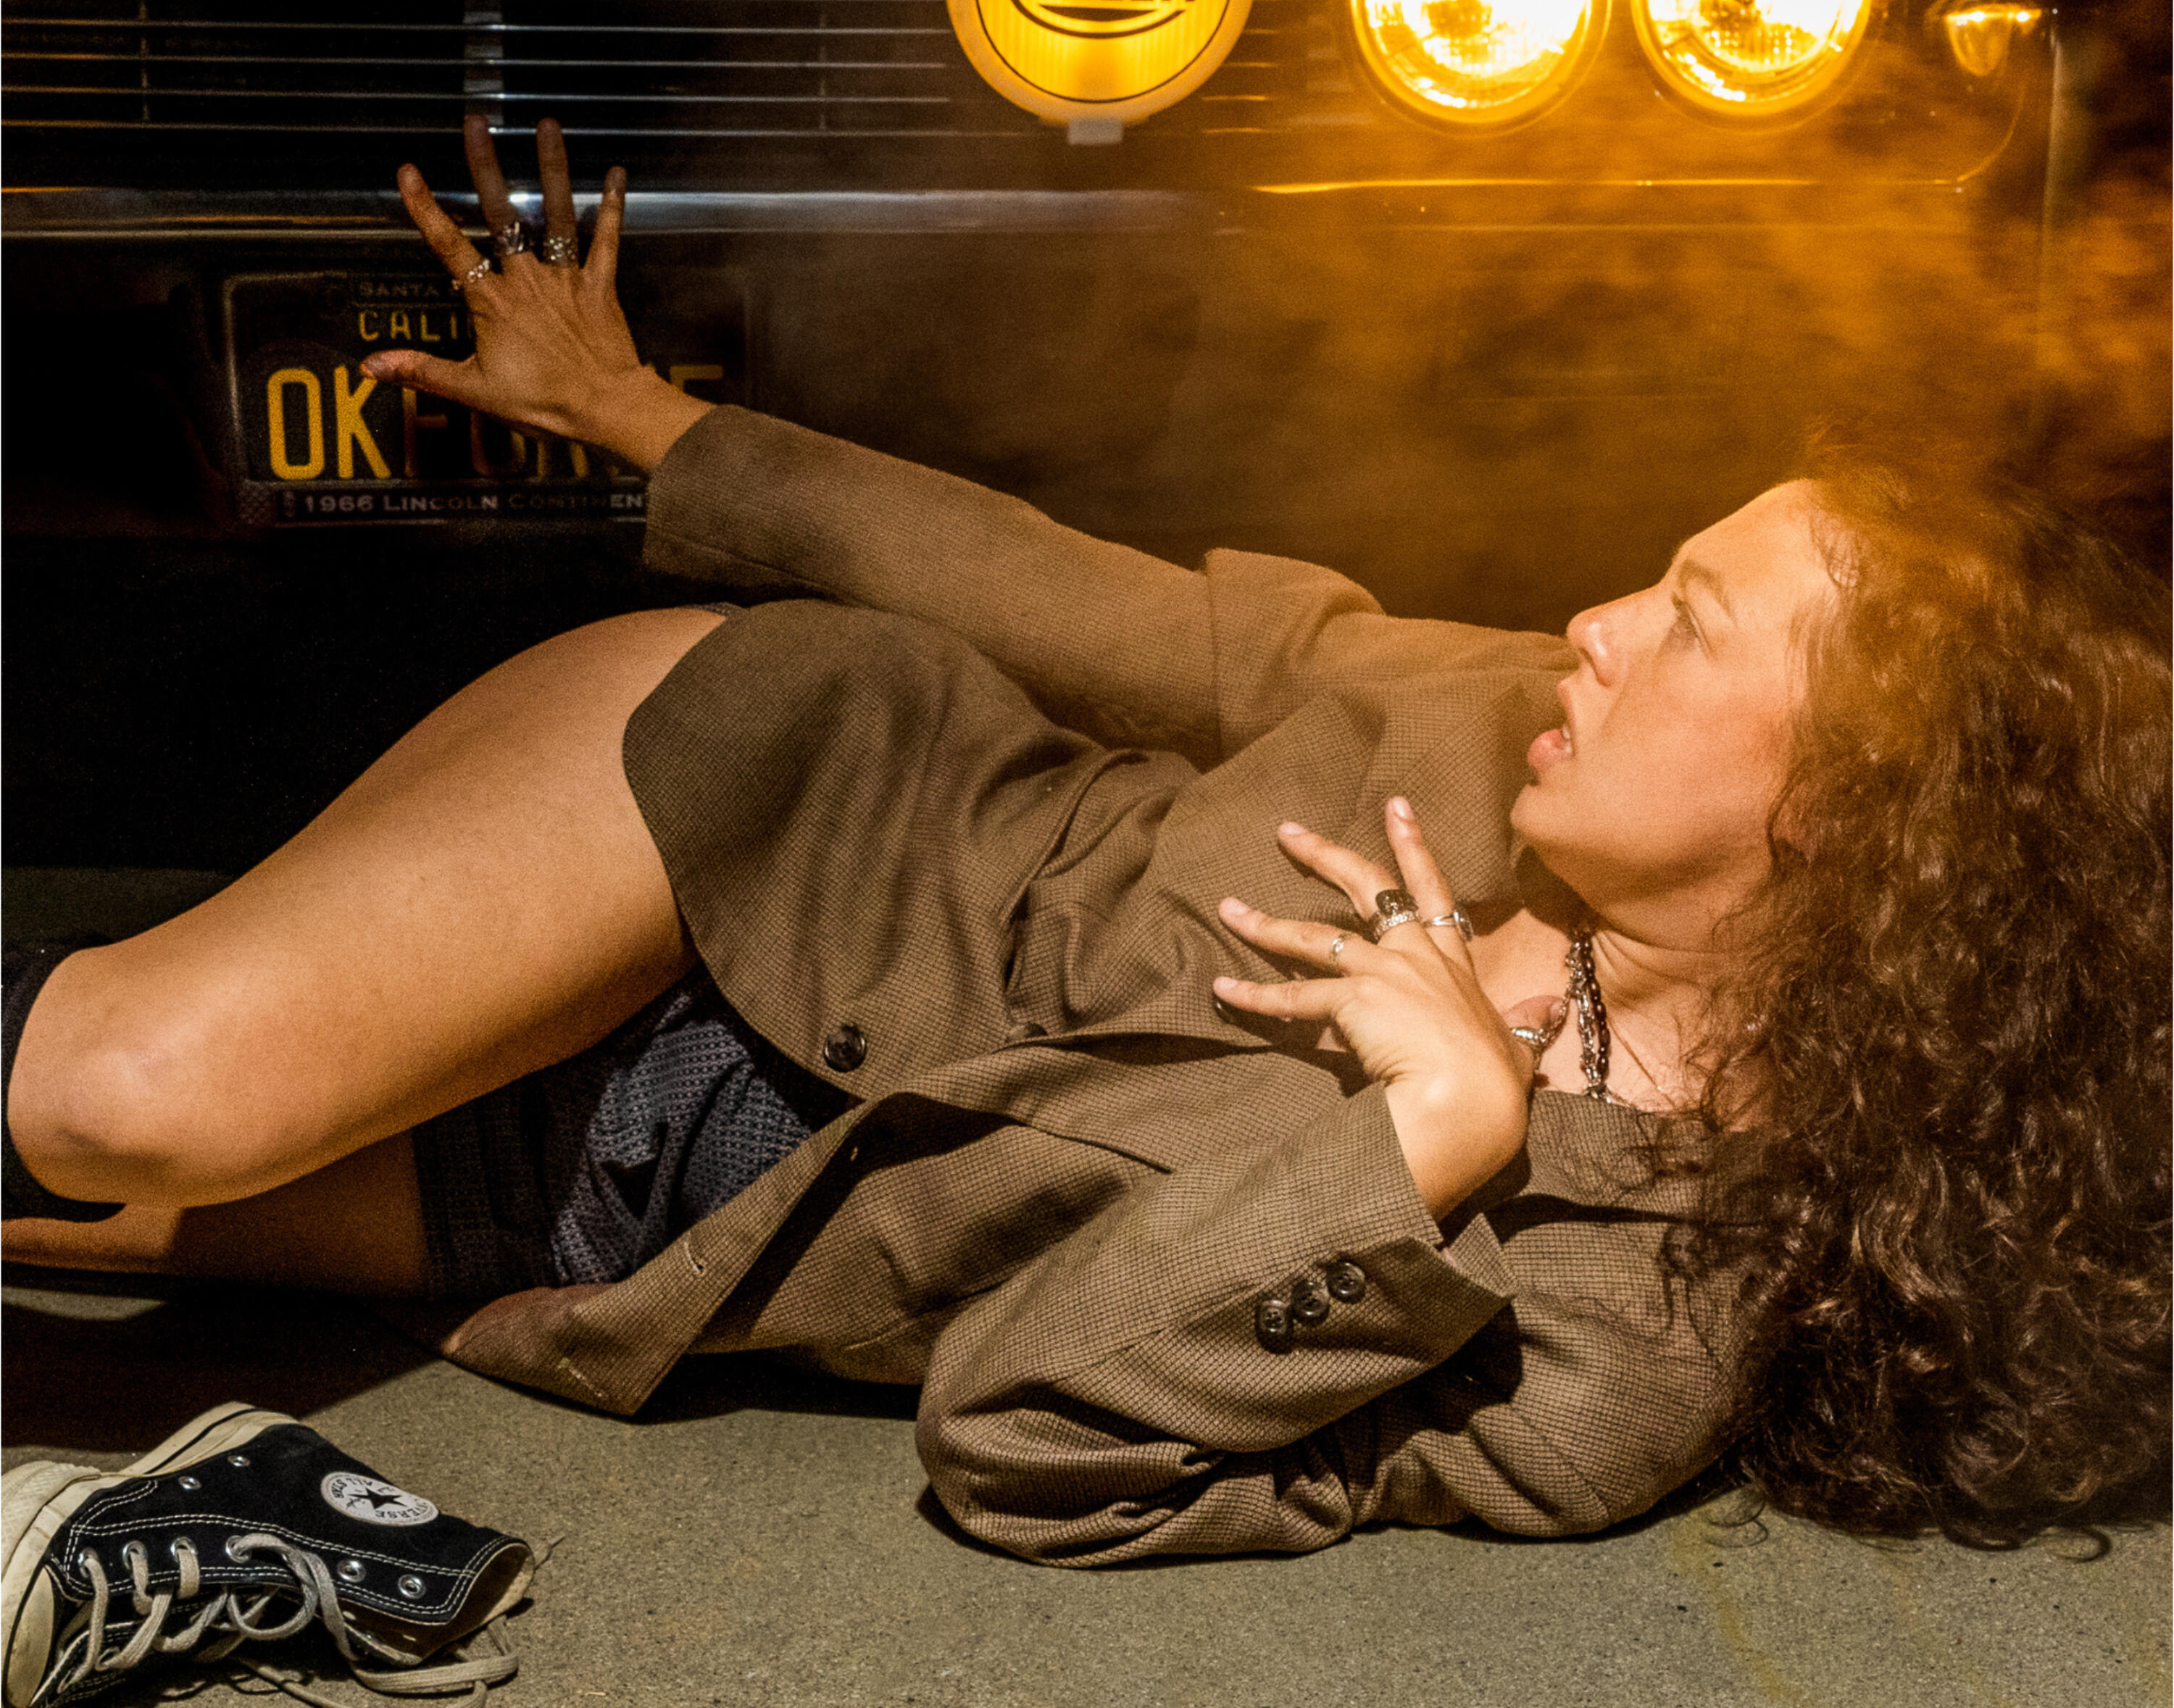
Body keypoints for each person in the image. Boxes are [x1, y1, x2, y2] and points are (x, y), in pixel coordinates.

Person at [3, 122, 2165, 1583]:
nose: (1598, 621)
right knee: (131, 1094)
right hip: (780, 829)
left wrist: (1429, 1141)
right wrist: (661, 427)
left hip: (699, 1226)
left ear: (1844, 809)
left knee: (75, 1226)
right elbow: (1104, 614)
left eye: (1690, 620)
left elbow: (1024, 1434)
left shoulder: (1628, 1338)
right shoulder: (1495, 708)